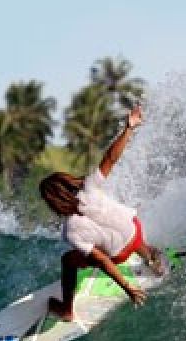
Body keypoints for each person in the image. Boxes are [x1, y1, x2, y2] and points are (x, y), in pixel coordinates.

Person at [38, 105, 165, 321]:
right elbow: (110, 158)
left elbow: (104, 261)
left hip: (119, 254)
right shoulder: (89, 186)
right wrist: (129, 128)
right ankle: (153, 259)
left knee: (69, 260)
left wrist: (128, 287)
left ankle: (67, 310)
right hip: (135, 231)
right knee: (129, 232)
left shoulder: (71, 230)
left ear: (53, 203)